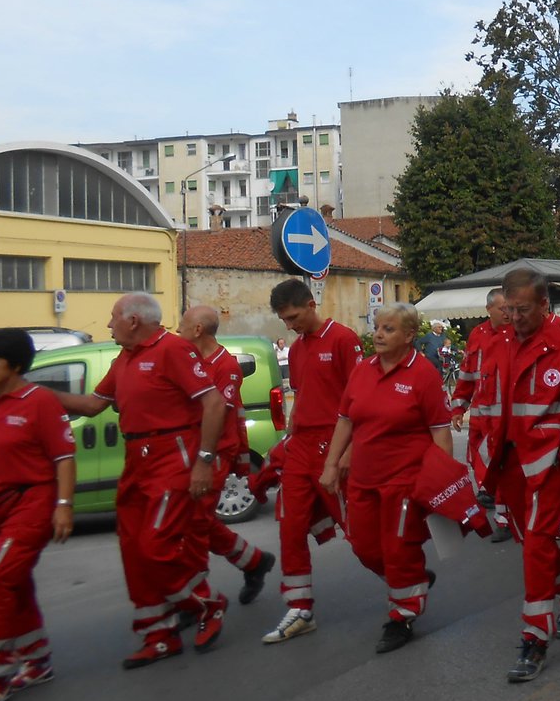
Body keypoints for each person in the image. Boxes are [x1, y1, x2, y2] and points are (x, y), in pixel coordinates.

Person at [50, 294, 227, 667]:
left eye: (113, 317)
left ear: (133, 321)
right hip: (137, 461)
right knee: (133, 550)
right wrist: (36, 393)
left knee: (155, 547)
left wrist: (203, 462)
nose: (109, 323)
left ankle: (207, 605)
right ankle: (158, 635)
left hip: (171, 458)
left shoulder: (173, 350)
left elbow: (214, 403)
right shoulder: (124, 359)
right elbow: (94, 405)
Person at [320, 303, 453, 654]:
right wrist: (331, 464)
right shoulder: (363, 369)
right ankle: (415, 582)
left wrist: (443, 482)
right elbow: (346, 420)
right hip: (364, 478)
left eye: (388, 329)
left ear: (409, 336)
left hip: (405, 482)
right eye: (377, 327)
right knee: (363, 546)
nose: (378, 334)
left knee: (398, 550)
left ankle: (402, 616)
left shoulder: (423, 375)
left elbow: (440, 432)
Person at [497, 270, 560, 683]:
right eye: (510, 310)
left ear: (543, 305)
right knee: (531, 542)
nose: (515, 317)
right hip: (506, 463)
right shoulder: (494, 344)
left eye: (523, 309)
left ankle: (535, 638)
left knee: (536, 544)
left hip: (546, 464)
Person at [264, 279, 360, 644]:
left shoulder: (344, 339)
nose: (289, 325)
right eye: (283, 320)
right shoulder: (298, 348)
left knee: (356, 529)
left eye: (292, 317)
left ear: (309, 305)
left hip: (331, 445)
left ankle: (400, 577)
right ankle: (300, 608)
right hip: (301, 447)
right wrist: (288, 438)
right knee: (289, 525)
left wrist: (346, 453)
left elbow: (358, 401)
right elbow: (302, 397)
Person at [0, 328, 75, 701]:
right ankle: (36, 661)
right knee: (14, 585)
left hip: (32, 504)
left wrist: (63, 506)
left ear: (16, 365)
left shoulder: (38, 401)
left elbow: (63, 458)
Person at [176, 306, 275, 605]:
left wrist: (206, 458)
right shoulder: (191, 360)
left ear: (197, 330)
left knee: (194, 523)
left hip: (215, 452)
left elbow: (220, 414)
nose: (177, 331)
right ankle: (254, 562)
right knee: (196, 521)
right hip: (196, 450)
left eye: (182, 326)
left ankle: (196, 599)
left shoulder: (225, 366)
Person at [450, 289, 514, 542]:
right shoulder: (477, 335)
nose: (508, 313)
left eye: (510, 308)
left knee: (501, 467)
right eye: (502, 308)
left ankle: (504, 519)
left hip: (507, 418)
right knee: (481, 465)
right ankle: (503, 511)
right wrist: (458, 407)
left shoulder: (517, 334)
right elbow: (466, 375)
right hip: (481, 417)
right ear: (489, 310)